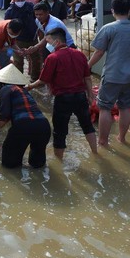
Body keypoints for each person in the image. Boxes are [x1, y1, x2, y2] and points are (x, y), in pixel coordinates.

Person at [25, 28, 97, 160]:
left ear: (57, 41)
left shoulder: (53, 58)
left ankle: (59, 162)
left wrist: (29, 87)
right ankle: (95, 153)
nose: (47, 45)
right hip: (80, 96)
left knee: (60, 132)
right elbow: (87, 78)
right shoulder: (80, 54)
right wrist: (90, 95)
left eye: (48, 41)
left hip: (63, 99)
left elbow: (43, 80)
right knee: (87, 126)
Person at [88, 0, 130, 146]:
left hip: (112, 75)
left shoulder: (108, 28)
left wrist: (86, 66)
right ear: (129, 11)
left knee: (105, 107)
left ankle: (102, 141)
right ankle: (122, 138)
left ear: (113, 10)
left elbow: (99, 52)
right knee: (125, 106)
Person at [0, 65, 52, 169]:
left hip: (23, 126)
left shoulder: (6, 89)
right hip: (43, 126)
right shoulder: (24, 91)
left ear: (2, 82)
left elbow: (4, 116)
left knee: (9, 165)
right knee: (37, 165)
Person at [5, 0, 39, 79]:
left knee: (36, 60)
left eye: (22, 0)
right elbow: (6, 27)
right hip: (17, 41)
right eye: (18, 0)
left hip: (32, 39)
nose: (20, 2)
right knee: (18, 61)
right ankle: (19, 80)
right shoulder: (9, 11)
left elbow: (38, 21)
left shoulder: (31, 7)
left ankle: (35, 78)